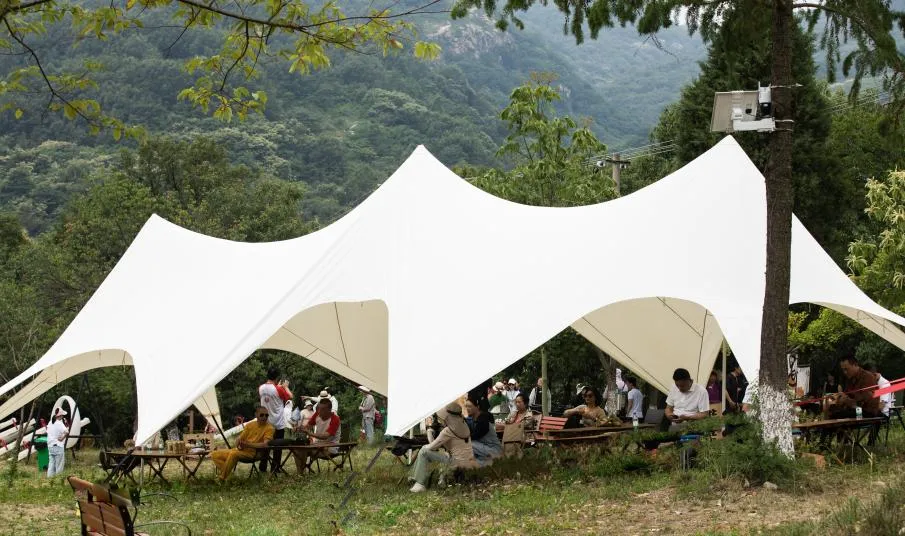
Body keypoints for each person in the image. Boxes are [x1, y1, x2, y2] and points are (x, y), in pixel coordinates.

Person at [408, 402, 475, 493]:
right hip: (467, 460)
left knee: (423, 451)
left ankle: (420, 483)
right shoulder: (464, 425)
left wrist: (429, 432)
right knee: (426, 451)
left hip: (456, 462)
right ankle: (416, 476)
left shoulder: (448, 430)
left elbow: (432, 447)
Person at [211, 406, 274, 481]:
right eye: (262, 415)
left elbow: (265, 445)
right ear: (256, 415)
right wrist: (238, 442)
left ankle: (222, 478)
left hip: (255, 453)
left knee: (233, 454)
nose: (264, 417)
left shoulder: (269, 428)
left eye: (266, 415)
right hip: (241, 450)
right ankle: (228, 475)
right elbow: (240, 439)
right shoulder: (250, 425)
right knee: (214, 454)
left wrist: (247, 445)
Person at [293, 398, 342, 473]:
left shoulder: (335, 418)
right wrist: (298, 428)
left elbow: (326, 436)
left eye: (322, 409)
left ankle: (301, 472)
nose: (319, 411)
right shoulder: (317, 414)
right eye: (318, 409)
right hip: (317, 446)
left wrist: (310, 434)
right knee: (297, 450)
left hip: (330, 447)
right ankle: (300, 472)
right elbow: (307, 427)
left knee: (303, 449)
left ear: (329, 410)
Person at [258, 368, 292, 473]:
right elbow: (290, 397)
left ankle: (263, 467)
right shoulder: (278, 389)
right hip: (277, 423)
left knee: (265, 445)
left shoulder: (261, 388)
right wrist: (285, 387)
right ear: (277, 378)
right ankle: (275, 468)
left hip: (265, 422)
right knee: (278, 447)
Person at [466, 396, 503, 465]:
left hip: (493, 449)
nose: (467, 409)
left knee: (466, 443)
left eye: (470, 406)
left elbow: (476, 435)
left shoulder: (483, 419)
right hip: (483, 448)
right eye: (466, 406)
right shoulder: (473, 420)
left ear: (477, 407)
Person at [46, 409, 68, 477]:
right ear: (60, 415)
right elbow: (66, 432)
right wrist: (62, 438)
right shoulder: (59, 423)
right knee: (59, 465)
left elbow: (48, 431)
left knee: (51, 464)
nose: (63, 416)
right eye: (62, 415)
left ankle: (50, 479)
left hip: (50, 446)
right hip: (58, 445)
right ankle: (59, 480)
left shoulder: (50, 422)